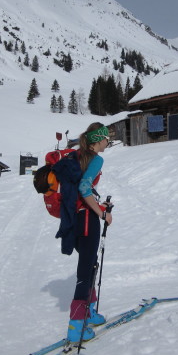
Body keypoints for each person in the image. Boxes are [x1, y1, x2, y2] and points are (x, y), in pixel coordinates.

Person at [65, 122, 112, 343]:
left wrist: (99, 205)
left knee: (90, 265)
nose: (108, 142)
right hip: (86, 220)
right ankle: (76, 327)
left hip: (73, 219)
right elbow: (84, 187)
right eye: (106, 138)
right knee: (86, 270)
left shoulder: (76, 156)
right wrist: (101, 214)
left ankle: (89, 313)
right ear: (97, 140)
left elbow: (81, 188)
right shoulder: (96, 159)